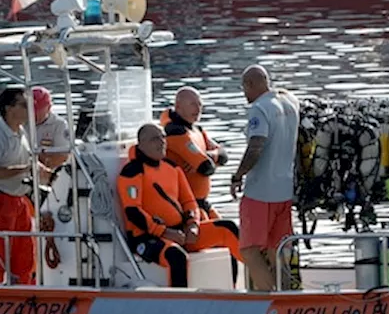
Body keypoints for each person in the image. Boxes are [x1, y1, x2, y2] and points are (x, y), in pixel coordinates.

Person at [119, 123, 241, 287]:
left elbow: (189, 202)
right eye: (155, 139)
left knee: (228, 228)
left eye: (163, 137)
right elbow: (133, 212)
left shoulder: (172, 168)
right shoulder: (132, 171)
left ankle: (255, 282)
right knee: (176, 257)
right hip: (147, 237)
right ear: (141, 144)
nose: (162, 142)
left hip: (180, 231)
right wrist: (164, 232)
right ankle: (180, 304)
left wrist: (192, 225)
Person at [230, 65, 300, 292]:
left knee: (249, 250)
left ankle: (269, 298)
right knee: (277, 249)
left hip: (260, 192)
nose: (244, 94)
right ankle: (287, 296)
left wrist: (238, 175)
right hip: (284, 190)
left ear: (250, 84)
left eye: (244, 88)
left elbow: (256, 146)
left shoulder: (260, 108)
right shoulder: (291, 103)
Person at [0, 87, 54, 285]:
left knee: (26, 252)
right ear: (8, 108)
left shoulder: (21, 132)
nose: (30, 108)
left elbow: (28, 160)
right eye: (24, 104)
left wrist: (44, 171)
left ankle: (24, 289)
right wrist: (24, 170)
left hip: (19, 199)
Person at [162, 86, 230, 222]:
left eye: (200, 104)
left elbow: (224, 155)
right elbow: (205, 167)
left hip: (200, 201)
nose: (198, 109)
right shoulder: (177, 133)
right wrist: (209, 158)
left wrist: (209, 155)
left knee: (230, 231)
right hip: (185, 206)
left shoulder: (197, 130)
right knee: (225, 231)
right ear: (178, 106)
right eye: (193, 104)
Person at [30, 86, 71, 169]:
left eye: (38, 110)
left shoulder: (60, 125)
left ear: (49, 107)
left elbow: (63, 156)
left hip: (49, 171)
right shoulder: (21, 121)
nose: (33, 114)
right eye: (31, 109)